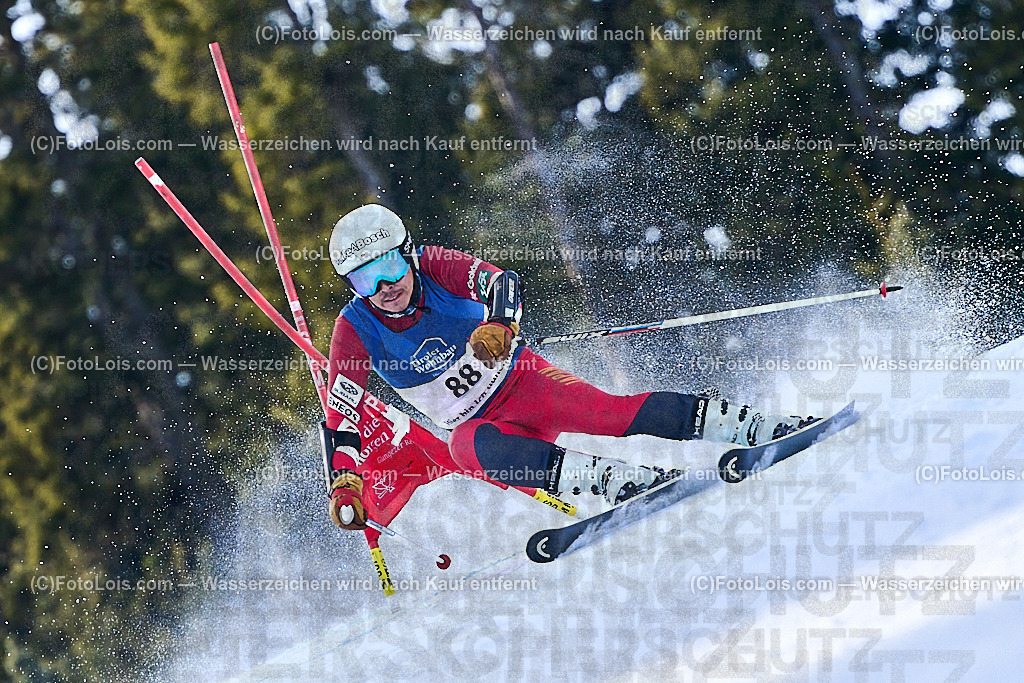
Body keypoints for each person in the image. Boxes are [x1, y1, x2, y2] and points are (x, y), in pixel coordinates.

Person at [322, 205, 815, 530]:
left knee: (612, 416)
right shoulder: (355, 329)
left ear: (407, 252)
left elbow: (502, 284)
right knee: (462, 446)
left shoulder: (435, 265)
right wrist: (345, 480)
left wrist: (501, 325)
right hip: (491, 432)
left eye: (389, 265)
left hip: (525, 382)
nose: (384, 285)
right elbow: (341, 416)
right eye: (365, 278)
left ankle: (760, 426)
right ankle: (621, 481)